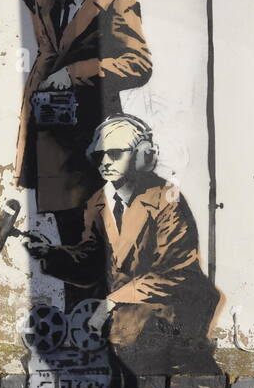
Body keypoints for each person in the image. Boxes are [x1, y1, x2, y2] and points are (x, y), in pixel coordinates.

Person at [0, 0, 153, 248]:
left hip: (88, 138)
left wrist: (75, 72)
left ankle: (96, 297)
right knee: (70, 233)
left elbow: (138, 64)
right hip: (50, 136)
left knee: (89, 236)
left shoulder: (117, 1)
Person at [27, 115, 219, 367]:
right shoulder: (98, 200)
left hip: (171, 319)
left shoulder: (167, 200)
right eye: (99, 156)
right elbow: (92, 259)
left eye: (115, 154)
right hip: (124, 322)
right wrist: (50, 254)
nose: (105, 163)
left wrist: (113, 300)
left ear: (143, 155)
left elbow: (174, 272)